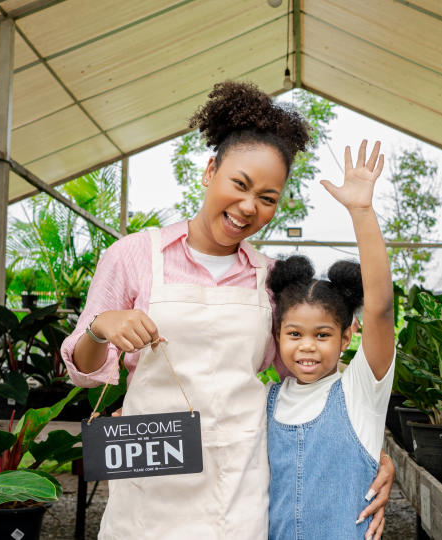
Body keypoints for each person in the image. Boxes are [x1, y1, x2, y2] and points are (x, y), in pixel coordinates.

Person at [60, 82, 393, 539]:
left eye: (267, 198)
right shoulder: (133, 255)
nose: (248, 207)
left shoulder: (273, 279)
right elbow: (82, 370)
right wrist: (101, 328)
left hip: (239, 491)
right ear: (210, 169)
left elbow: (311, 381)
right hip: (150, 486)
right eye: (240, 184)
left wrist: (369, 450)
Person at [265, 140, 395, 540]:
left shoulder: (360, 390)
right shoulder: (266, 401)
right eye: (294, 334)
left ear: (346, 336)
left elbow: (379, 309)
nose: (307, 346)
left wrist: (361, 212)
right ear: (277, 335)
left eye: (322, 335)